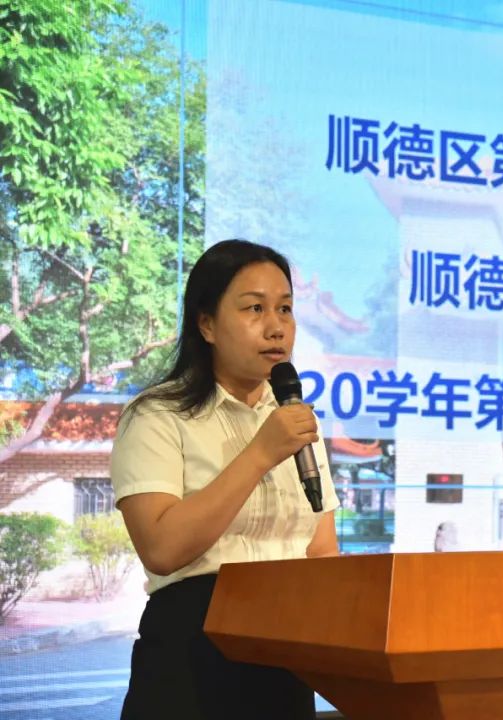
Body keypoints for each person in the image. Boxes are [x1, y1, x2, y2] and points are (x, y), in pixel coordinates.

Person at [110, 240, 340, 720]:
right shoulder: (157, 415)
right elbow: (161, 548)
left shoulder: (295, 420)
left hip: (285, 658)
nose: (276, 326)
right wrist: (260, 453)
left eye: (285, 309)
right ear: (207, 324)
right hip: (191, 658)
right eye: (255, 308)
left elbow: (321, 552)